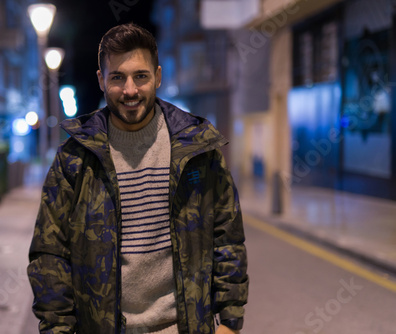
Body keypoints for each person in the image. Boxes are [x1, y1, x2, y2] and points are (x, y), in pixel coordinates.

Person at [27, 23, 248, 334]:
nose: (130, 90)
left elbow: (227, 237)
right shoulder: (75, 158)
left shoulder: (196, 146)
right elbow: (50, 253)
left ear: (157, 76)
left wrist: (230, 322)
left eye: (140, 76)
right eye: (118, 77)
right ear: (102, 80)